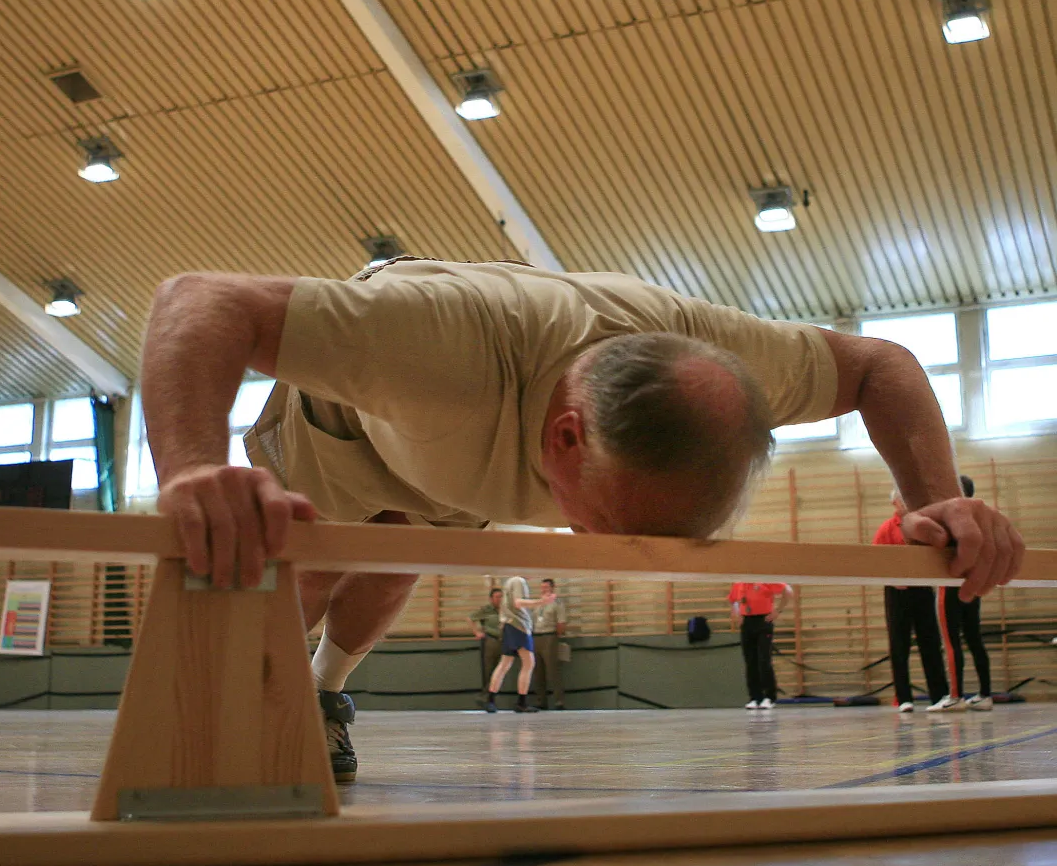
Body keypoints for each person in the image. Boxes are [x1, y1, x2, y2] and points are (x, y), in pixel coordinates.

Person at [142, 258, 1025, 782]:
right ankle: (268, 683)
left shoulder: (722, 358)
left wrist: (937, 502)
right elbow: (198, 301)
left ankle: (327, 689)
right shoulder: (437, 343)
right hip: (354, 423)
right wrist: (190, 472)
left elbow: (882, 363)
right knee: (316, 564)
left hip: (456, 465)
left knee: (398, 559)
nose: (611, 559)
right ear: (567, 440)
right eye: (611, 525)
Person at [877, 488, 965, 713]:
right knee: (899, 645)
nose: (906, 503)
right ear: (895, 503)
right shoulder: (887, 528)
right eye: (902, 499)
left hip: (922, 590)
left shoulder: (922, 526)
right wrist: (893, 580)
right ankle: (903, 698)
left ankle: (938, 695)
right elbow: (875, 559)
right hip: (897, 591)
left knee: (930, 642)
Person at [940, 475, 993, 710]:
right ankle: (985, 694)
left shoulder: (952, 516)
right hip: (974, 584)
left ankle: (955, 696)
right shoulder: (982, 517)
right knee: (974, 638)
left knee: (952, 642)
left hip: (951, 584)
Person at [485, 575, 553, 713]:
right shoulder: (519, 581)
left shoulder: (510, 581)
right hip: (518, 625)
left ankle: (491, 700)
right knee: (528, 663)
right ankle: (521, 702)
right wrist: (542, 601)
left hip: (508, 625)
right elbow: (518, 602)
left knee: (505, 663)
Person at [728, 581, 792, 710]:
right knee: (750, 661)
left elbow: (788, 591)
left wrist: (778, 610)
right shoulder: (739, 583)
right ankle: (755, 697)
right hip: (747, 622)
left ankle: (769, 697)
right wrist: (737, 613)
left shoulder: (765, 580)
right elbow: (733, 600)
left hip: (763, 620)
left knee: (764, 660)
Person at [531, 578, 569, 709]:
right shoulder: (538, 603)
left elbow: (561, 623)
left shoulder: (557, 603)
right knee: (538, 671)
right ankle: (541, 701)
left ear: (552, 588)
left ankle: (559, 701)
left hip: (549, 636)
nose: (543, 590)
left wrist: (555, 635)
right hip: (536, 636)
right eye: (542, 587)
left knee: (553, 670)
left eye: (546, 587)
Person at [469, 586, 505, 695]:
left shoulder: (506, 610)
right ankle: (486, 696)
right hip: (491, 641)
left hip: (504, 642)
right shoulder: (486, 610)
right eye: (496, 597)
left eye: (501, 597)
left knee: (500, 671)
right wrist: (476, 632)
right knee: (489, 670)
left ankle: (493, 696)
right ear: (491, 598)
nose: (499, 599)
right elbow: (471, 618)